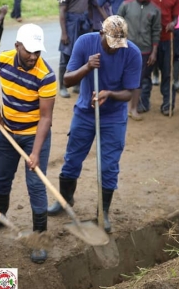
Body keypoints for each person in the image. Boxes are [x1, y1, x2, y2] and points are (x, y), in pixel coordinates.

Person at [47, 15, 142, 233]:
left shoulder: (132, 53)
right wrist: (88, 67)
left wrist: (109, 94)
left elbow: (129, 93)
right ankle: (65, 201)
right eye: (111, 44)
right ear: (101, 33)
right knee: (72, 159)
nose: (115, 49)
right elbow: (67, 80)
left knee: (108, 166)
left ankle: (103, 212)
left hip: (114, 117)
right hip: (85, 113)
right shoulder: (84, 43)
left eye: (119, 44)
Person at [0, 23, 57, 264]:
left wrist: (35, 153)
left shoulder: (46, 75)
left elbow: (46, 118)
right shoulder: (2, 60)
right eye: (28, 51)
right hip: (7, 131)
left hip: (35, 135)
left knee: (36, 184)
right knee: (2, 176)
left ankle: (40, 238)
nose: (33, 56)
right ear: (17, 46)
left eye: (37, 52)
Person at [118, 0, 161, 120]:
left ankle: (133, 108)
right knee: (122, 78)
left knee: (138, 81)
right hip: (126, 48)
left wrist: (154, 52)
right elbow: (117, 24)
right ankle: (123, 108)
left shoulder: (155, 10)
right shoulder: (126, 5)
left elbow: (156, 31)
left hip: (144, 50)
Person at [58, 0, 92, 98]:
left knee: (82, 55)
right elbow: (62, 11)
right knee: (65, 56)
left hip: (84, 23)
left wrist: (90, 23)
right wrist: (64, 33)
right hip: (71, 25)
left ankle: (77, 85)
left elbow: (90, 6)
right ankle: (62, 87)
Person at [151, 0, 179, 116]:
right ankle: (142, 103)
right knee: (145, 72)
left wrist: (173, 23)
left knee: (167, 72)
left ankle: (168, 104)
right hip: (150, 38)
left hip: (168, 39)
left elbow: (176, 17)